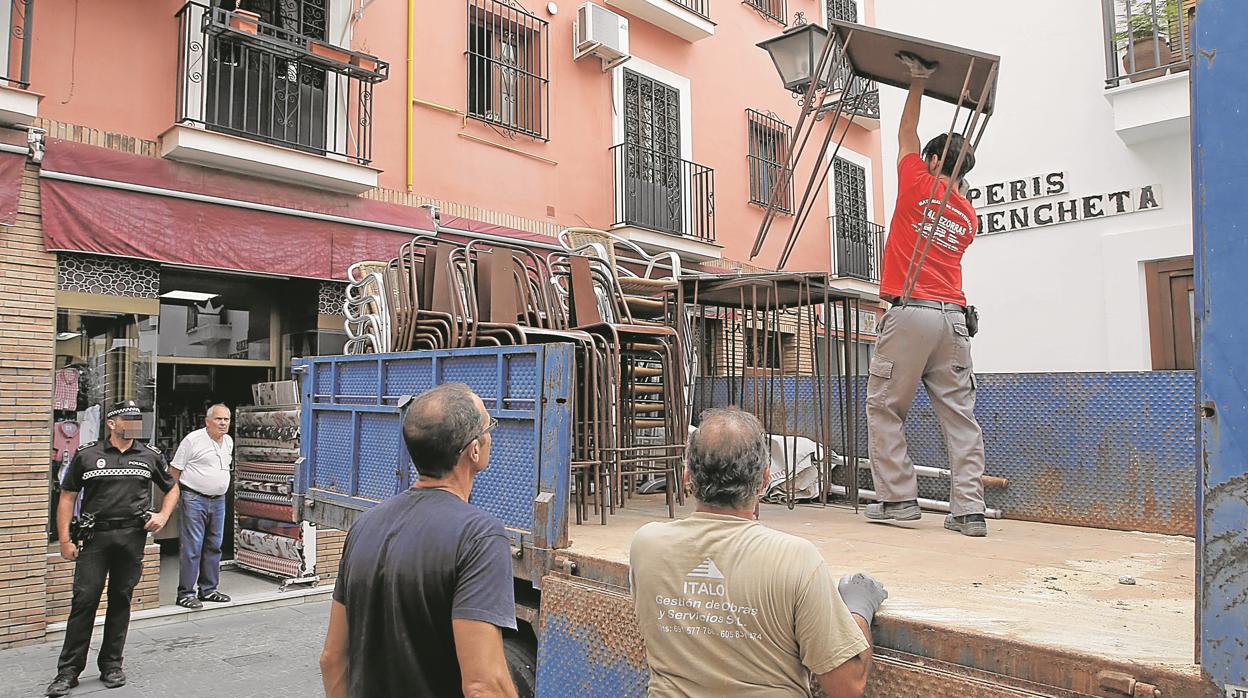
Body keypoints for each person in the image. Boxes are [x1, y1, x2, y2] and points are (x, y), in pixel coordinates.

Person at [630, 408, 886, 698]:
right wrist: (858, 610)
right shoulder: (795, 559)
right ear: (765, 479)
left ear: (688, 475)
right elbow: (847, 687)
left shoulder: (646, 545)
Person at [320, 383, 517, 698]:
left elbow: (332, 659)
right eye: (488, 427)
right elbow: (484, 686)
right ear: (475, 449)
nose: (490, 435)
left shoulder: (364, 526)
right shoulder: (480, 537)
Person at [865, 51, 989, 537]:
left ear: (935, 161)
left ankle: (898, 501)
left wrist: (917, 81)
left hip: (911, 313)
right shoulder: (968, 215)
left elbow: (905, 134)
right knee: (960, 417)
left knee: (885, 406)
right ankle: (970, 512)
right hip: (954, 320)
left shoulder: (918, 182)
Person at [46, 400, 179, 697]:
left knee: (121, 601)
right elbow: (67, 496)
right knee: (84, 602)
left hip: (132, 537)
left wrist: (163, 516)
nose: (134, 424)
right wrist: (65, 539)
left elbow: (171, 486)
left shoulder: (149, 455)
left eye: (137, 419)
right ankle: (68, 672)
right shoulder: (87, 454)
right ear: (111, 423)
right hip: (95, 539)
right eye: (128, 419)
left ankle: (111, 665)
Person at [170, 403, 234, 609]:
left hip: (218, 500)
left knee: (214, 545)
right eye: (218, 419)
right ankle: (185, 593)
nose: (223, 423)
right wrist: (175, 496)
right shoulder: (193, 440)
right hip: (194, 498)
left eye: (226, 419)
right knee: (192, 547)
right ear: (207, 421)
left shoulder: (229, 442)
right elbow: (174, 470)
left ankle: (208, 590)